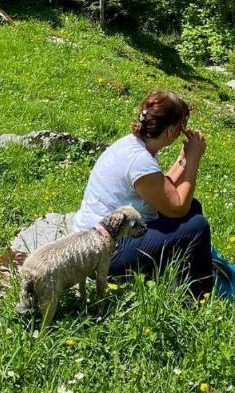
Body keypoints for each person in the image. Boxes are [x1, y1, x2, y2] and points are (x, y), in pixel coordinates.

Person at [71, 90, 213, 298]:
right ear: (171, 129)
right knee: (197, 226)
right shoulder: (139, 160)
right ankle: (198, 297)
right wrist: (193, 159)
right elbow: (177, 206)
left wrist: (183, 158)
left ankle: (176, 276)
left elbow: (161, 187)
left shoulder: (133, 146)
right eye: (181, 126)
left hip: (98, 237)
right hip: (105, 252)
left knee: (194, 208)